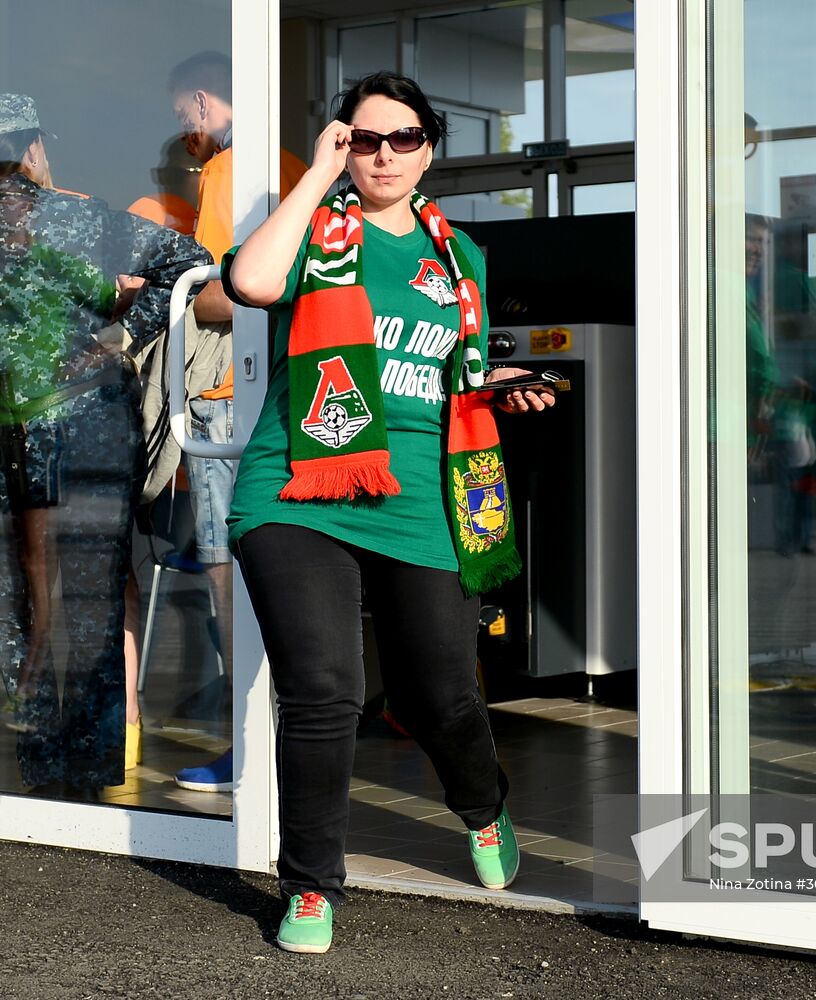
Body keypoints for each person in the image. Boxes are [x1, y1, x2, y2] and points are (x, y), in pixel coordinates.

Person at [221, 71, 555, 954]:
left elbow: (455, 374)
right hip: (298, 489)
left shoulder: (460, 258)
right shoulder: (316, 232)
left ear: (429, 149)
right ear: (342, 147)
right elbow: (250, 283)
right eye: (362, 139)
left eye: (402, 139)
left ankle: (483, 810)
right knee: (325, 691)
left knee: (439, 694)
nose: (382, 155)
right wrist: (314, 175)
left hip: (417, 496)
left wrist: (499, 386)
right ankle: (310, 888)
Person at [0, 94, 210, 796]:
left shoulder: (72, 215)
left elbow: (188, 257)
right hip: (34, 429)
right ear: (34, 147)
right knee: (47, 597)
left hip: (81, 426)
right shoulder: (66, 214)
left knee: (78, 600)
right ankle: (56, 765)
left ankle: (78, 772)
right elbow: (187, 256)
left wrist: (118, 336)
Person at [167, 53, 308, 792]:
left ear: (200, 100)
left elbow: (232, 289)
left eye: (180, 116)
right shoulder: (287, 164)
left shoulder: (230, 170)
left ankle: (251, 751)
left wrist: (179, 296)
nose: (183, 133)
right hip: (285, 392)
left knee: (231, 579)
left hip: (229, 392)